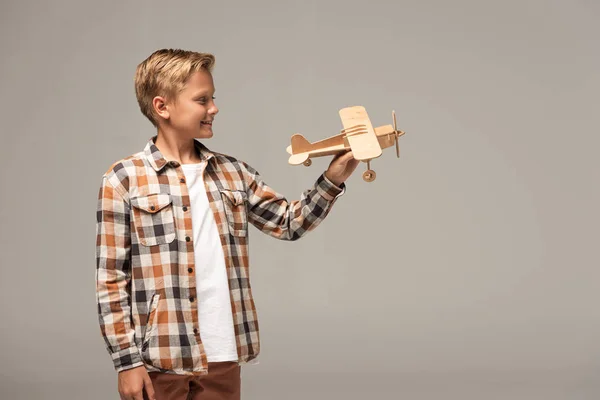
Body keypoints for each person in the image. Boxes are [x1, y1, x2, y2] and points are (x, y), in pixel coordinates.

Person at [95, 48, 359, 400]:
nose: (214, 108)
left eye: (213, 98)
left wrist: (333, 179)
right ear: (162, 107)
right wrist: (127, 362)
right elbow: (111, 279)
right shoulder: (123, 179)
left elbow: (289, 222)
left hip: (223, 354)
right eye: (202, 100)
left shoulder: (234, 173)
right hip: (160, 357)